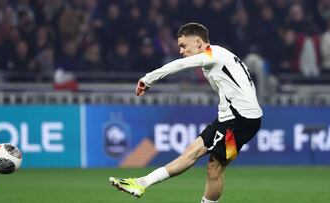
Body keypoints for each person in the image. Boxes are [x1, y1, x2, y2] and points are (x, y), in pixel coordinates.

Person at [109, 22, 262, 203]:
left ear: (198, 42)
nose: (181, 51)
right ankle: (141, 183)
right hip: (230, 118)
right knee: (192, 153)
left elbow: (181, 64)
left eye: (183, 46)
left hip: (240, 121)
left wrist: (148, 79)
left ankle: (142, 183)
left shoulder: (211, 55)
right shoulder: (221, 54)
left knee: (214, 168)